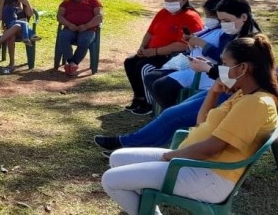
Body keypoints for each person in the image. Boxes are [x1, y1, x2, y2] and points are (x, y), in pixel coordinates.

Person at [102, 35, 278, 215]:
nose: (220, 69)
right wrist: (213, 92)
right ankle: (148, 208)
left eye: (225, 63)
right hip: (197, 165)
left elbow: (211, 148)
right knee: (117, 158)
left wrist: (169, 157)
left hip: (209, 176)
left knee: (110, 180)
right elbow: (203, 122)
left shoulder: (256, 103)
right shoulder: (244, 94)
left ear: (243, 67)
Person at [94, 0, 262, 154]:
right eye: (221, 20)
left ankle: (126, 145)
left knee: (173, 116)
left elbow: (239, 78)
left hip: (235, 96)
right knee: (171, 113)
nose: (223, 25)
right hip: (223, 89)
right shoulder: (233, 34)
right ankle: (129, 145)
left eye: (226, 21)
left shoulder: (251, 44)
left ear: (244, 17)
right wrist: (208, 66)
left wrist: (208, 68)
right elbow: (228, 70)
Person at [123, 0, 203, 115]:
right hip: (151, 51)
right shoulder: (163, 13)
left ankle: (150, 104)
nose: (170, 2)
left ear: (184, 0)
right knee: (130, 62)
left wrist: (155, 52)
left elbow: (182, 45)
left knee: (144, 68)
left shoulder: (190, 17)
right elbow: (150, 32)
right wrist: (142, 47)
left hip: (170, 56)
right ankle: (139, 98)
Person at [142, 0, 226, 109]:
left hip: (203, 72)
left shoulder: (225, 33)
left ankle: (171, 113)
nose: (207, 18)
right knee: (151, 78)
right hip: (190, 65)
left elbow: (221, 57)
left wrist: (201, 43)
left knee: (161, 86)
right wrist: (190, 41)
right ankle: (165, 112)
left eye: (210, 15)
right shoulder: (209, 28)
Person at [55, 0, 104, 77]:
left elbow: (99, 16)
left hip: (88, 29)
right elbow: (59, 16)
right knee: (63, 37)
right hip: (70, 28)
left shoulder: (93, 1)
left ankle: (74, 64)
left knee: (84, 41)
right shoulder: (66, 2)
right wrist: (69, 25)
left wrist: (86, 26)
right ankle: (72, 62)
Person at [0, 0, 39, 69]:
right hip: (10, 30)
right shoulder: (5, 4)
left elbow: (30, 14)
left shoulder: (19, 1)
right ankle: (12, 63)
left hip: (23, 31)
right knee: (11, 35)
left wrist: (27, 3)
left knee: (18, 25)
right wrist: (2, 2)